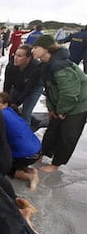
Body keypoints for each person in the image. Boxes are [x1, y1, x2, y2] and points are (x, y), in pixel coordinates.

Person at [32, 35, 87, 172]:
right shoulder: (46, 65)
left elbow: (70, 93)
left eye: (36, 47)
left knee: (68, 135)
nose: (32, 50)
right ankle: (43, 153)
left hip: (79, 104)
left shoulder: (60, 66)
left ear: (46, 49)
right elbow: (49, 89)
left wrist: (62, 110)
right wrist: (52, 109)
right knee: (52, 129)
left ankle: (56, 164)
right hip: (61, 102)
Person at [0, 92, 41, 190]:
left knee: (4, 168)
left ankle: (30, 177)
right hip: (37, 151)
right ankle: (30, 170)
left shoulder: (1, 115)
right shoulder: (12, 111)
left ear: (5, 104)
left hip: (27, 155)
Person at [3, 44, 43, 125]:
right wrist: (4, 100)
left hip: (33, 89)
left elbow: (28, 90)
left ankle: (26, 133)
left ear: (28, 58)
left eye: (20, 56)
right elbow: (7, 84)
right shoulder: (11, 65)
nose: (16, 58)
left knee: (26, 113)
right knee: (6, 106)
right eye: (15, 55)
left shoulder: (36, 68)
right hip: (18, 86)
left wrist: (16, 103)